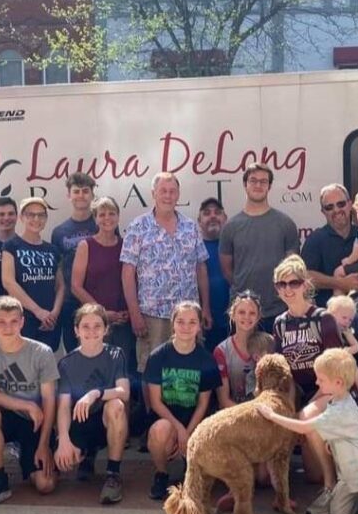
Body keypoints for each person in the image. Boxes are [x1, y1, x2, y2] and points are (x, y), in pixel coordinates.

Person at [257, 348, 358, 514]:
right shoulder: (338, 399)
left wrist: (271, 416)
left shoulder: (340, 411)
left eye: (321, 379)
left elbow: (304, 427)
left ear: (338, 382)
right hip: (350, 476)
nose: (317, 382)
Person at [300, 184, 358, 422]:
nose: (337, 210)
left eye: (341, 204)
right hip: (329, 323)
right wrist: (338, 281)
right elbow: (307, 276)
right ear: (323, 211)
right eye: (329, 207)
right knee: (332, 379)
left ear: (350, 204)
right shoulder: (316, 240)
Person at [121, 172, 212, 384]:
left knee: (188, 370)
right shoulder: (138, 227)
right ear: (153, 194)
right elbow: (127, 273)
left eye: (172, 191)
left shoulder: (190, 227)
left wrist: (205, 307)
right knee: (151, 370)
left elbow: (201, 268)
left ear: (178, 194)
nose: (168, 196)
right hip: (152, 315)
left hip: (188, 316)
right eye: (163, 191)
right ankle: (151, 416)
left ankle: (188, 415)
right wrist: (135, 314)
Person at [0, 296, 60, 507]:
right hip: (6, 416)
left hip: (35, 422)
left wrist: (44, 444)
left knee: (45, 485)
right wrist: (26, 405)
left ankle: (30, 456)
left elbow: (49, 402)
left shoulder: (41, 352)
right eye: (1, 322)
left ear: (22, 322)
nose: (8, 327)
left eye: (13, 321)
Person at [270, 255, 341, 488]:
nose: (288, 289)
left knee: (306, 417)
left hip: (328, 391)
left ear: (305, 285)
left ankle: (331, 484)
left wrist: (302, 411)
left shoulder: (324, 319)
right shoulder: (279, 324)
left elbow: (335, 368)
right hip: (297, 392)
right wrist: (289, 407)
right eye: (282, 284)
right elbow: (283, 374)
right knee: (311, 476)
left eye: (294, 283)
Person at [55, 304, 131, 505]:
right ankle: (86, 455)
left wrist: (95, 393)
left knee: (116, 405)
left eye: (97, 326)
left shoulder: (116, 355)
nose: (91, 331)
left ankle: (113, 474)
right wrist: (63, 439)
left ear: (106, 329)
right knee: (67, 460)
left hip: (106, 420)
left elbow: (124, 392)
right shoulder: (66, 363)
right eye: (85, 326)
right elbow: (63, 406)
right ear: (76, 330)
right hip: (80, 422)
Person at [144, 301, 220, 500]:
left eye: (192, 322)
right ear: (173, 324)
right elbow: (155, 402)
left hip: (195, 420)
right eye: (181, 321)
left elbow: (204, 403)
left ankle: (190, 471)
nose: (186, 327)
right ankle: (161, 474)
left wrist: (188, 433)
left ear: (199, 326)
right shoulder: (158, 356)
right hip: (168, 419)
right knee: (159, 431)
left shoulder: (206, 359)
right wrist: (179, 430)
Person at [219, 163, 299, 332]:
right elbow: (227, 271)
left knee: (277, 359)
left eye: (263, 181)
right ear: (245, 184)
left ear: (269, 186)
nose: (258, 185)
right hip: (243, 314)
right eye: (253, 180)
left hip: (279, 311)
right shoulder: (231, 226)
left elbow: (293, 268)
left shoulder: (285, 223)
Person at [70, 196, 136, 372]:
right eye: (102, 214)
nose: (107, 218)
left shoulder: (127, 245)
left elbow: (134, 281)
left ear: (118, 216)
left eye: (112, 213)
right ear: (95, 218)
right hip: (94, 323)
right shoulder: (86, 246)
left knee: (121, 372)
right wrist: (102, 313)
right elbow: (75, 286)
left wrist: (131, 311)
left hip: (123, 322)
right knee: (93, 371)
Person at [1, 197, 65, 351]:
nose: (36, 219)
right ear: (22, 218)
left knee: (46, 367)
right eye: (31, 215)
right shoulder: (11, 246)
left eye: (41, 215)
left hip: (49, 322)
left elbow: (61, 285)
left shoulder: (52, 250)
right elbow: (8, 282)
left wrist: (54, 313)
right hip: (24, 320)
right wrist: (38, 311)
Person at [50, 172, 99, 353]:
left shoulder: (103, 223)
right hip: (70, 302)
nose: (81, 195)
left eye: (85, 191)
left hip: (97, 299)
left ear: (93, 195)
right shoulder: (59, 231)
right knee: (73, 354)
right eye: (76, 191)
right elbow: (59, 272)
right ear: (68, 195)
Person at [213, 291, 262, 409]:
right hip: (232, 413)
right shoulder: (222, 351)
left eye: (252, 313)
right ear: (232, 315)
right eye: (241, 312)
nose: (247, 317)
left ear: (258, 317)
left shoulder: (268, 344)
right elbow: (223, 400)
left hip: (261, 412)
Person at [325, 295, 358, 412]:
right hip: (328, 360)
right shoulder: (325, 328)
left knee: (352, 362)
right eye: (344, 317)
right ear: (331, 314)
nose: (347, 321)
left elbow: (356, 347)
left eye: (350, 320)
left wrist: (345, 351)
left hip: (342, 359)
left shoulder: (346, 331)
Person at [198, 197, 230, 351]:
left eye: (217, 212)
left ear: (225, 218)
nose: (212, 216)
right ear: (199, 221)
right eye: (206, 213)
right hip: (204, 322)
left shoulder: (235, 245)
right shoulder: (193, 248)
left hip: (235, 321)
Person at [0, 197, 18, 291]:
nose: (6, 218)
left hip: (23, 303)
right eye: (1, 214)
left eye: (11, 214)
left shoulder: (25, 244)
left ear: (17, 216)